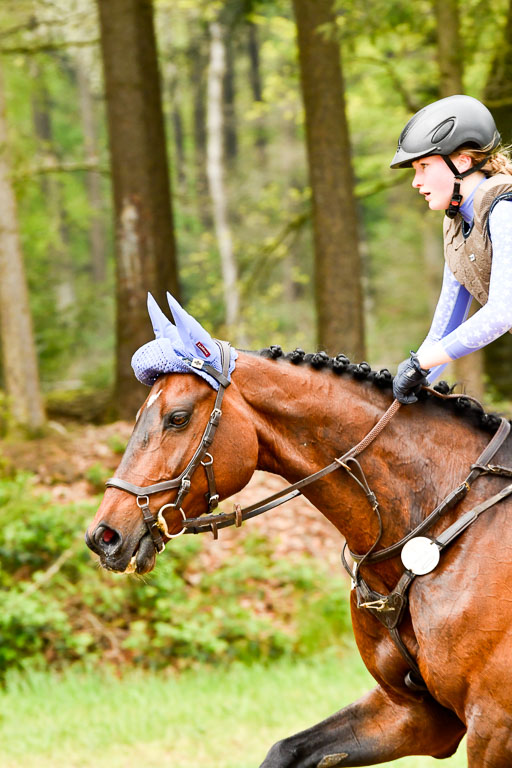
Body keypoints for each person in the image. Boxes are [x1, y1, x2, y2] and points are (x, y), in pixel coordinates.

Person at [390, 94, 512, 404]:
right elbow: (441, 334)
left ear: (462, 161)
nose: (416, 182)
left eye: (424, 167)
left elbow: (502, 313)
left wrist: (422, 364)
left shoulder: (504, 212)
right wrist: (403, 386)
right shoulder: (457, 226)